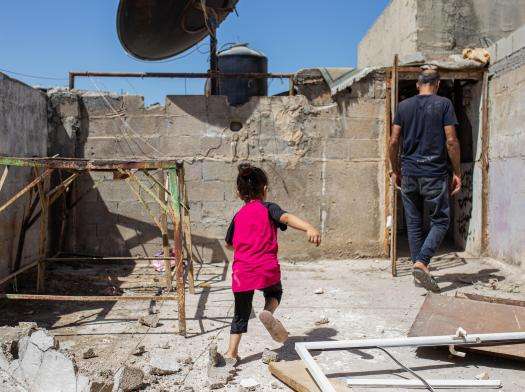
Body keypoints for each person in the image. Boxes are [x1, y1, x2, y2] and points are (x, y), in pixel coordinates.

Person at [223, 163, 321, 363]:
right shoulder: (268, 208)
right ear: (265, 189)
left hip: (241, 272)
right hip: (266, 269)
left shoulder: (238, 216)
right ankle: (268, 310)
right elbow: (286, 218)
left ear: (239, 194)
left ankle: (231, 353)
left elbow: (229, 244)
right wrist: (308, 227)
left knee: (240, 314)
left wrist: (243, 247)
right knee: (275, 292)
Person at [389, 68, 461, 292]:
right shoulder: (444, 104)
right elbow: (451, 141)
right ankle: (422, 262)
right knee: (440, 221)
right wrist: (457, 172)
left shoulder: (403, 107)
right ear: (437, 85)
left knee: (413, 222)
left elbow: (393, 142)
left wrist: (395, 169)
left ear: (419, 85)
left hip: (409, 172)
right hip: (434, 173)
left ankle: (417, 268)